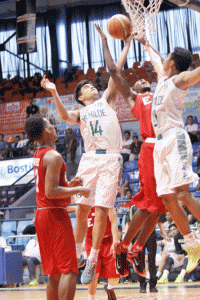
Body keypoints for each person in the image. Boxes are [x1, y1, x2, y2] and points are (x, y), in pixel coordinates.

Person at [40, 32, 133, 285]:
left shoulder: (107, 100)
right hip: (89, 159)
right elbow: (64, 117)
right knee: (82, 208)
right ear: (81, 96)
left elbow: (116, 70)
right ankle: (79, 251)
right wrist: (53, 92)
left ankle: (91, 259)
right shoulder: (81, 112)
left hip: (111, 159)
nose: (93, 87)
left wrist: (124, 44)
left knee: (102, 208)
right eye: (87, 87)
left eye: (93, 85)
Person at [94, 24, 167, 281]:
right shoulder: (135, 100)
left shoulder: (160, 93)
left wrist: (148, 45)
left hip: (165, 148)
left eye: (148, 78)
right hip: (150, 148)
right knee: (148, 206)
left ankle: (134, 248)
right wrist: (107, 41)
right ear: (135, 88)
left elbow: (163, 67)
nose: (144, 78)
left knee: (158, 207)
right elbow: (113, 71)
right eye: (139, 80)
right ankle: (124, 246)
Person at [145, 41, 200, 273]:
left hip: (174, 137)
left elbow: (195, 74)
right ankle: (193, 245)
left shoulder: (179, 79)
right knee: (168, 199)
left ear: (173, 63)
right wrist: (145, 43)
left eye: (167, 57)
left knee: (183, 193)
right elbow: (156, 60)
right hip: (160, 145)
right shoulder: (163, 81)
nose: (163, 59)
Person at [25, 115, 90, 300]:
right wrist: (79, 189)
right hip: (54, 216)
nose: (54, 127)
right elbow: (52, 192)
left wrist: (70, 186)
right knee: (70, 269)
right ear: (46, 131)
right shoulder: (54, 156)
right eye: (50, 125)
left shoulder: (39, 154)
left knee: (54, 272)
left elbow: (49, 189)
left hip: (42, 215)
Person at [86, 207, 120, 300]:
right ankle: (91, 298)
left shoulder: (106, 201)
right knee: (93, 274)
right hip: (91, 241)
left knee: (114, 277)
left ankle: (109, 288)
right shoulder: (85, 201)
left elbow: (113, 221)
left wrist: (116, 240)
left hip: (108, 240)